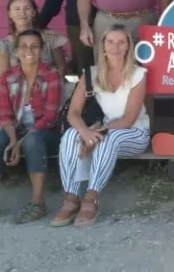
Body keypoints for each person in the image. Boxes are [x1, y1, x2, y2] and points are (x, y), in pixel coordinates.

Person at [51, 24, 151, 227]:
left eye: (121, 42)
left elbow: (128, 119)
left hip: (134, 132)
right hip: (103, 130)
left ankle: (91, 197)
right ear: (103, 46)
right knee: (71, 135)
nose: (116, 47)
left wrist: (94, 137)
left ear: (128, 46)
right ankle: (71, 198)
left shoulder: (138, 74)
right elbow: (73, 112)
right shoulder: (92, 74)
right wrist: (85, 132)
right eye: (110, 42)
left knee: (106, 140)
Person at [0, 30, 63, 223]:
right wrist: (13, 140)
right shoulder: (8, 76)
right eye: (23, 46)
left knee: (32, 141)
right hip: (16, 131)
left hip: (46, 132)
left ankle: (38, 204)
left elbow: (50, 117)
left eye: (34, 46)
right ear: (15, 51)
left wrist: (20, 142)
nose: (29, 51)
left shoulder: (51, 75)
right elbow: (5, 113)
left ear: (42, 50)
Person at [0, 0, 67, 79]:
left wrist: (52, 84)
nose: (22, 13)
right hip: (17, 86)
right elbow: (3, 77)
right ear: (10, 14)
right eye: (17, 9)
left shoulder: (52, 38)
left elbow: (61, 67)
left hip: (51, 84)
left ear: (34, 12)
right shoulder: (3, 45)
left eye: (27, 8)